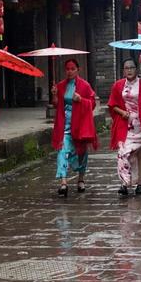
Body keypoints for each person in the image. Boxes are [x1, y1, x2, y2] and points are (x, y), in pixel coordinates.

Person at [107, 59, 141, 196]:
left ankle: (140, 183)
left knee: (140, 154)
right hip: (125, 124)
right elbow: (112, 105)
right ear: (123, 70)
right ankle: (124, 182)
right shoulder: (118, 85)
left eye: (131, 67)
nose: (129, 70)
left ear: (136, 69)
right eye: (126, 68)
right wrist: (122, 112)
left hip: (140, 124)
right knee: (123, 152)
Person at [51, 59, 98, 197]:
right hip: (64, 123)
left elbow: (92, 103)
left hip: (80, 124)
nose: (70, 71)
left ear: (78, 70)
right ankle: (63, 182)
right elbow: (56, 105)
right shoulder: (60, 86)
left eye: (72, 69)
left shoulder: (85, 85)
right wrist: (54, 95)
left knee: (81, 152)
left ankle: (81, 179)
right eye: (67, 69)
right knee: (62, 150)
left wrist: (81, 100)